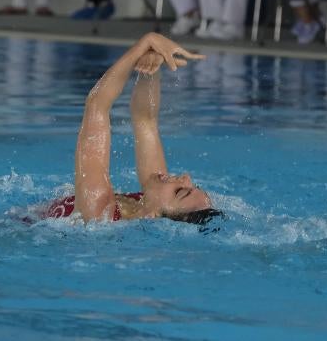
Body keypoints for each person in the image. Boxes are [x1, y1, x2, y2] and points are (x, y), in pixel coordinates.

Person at [28, 33, 221, 224]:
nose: (186, 178)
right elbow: (145, 119)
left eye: (180, 191)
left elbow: (97, 104)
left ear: (152, 216)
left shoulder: (99, 212)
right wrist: (151, 65)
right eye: (193, 185)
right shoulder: (150, 201)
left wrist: (146, 42)